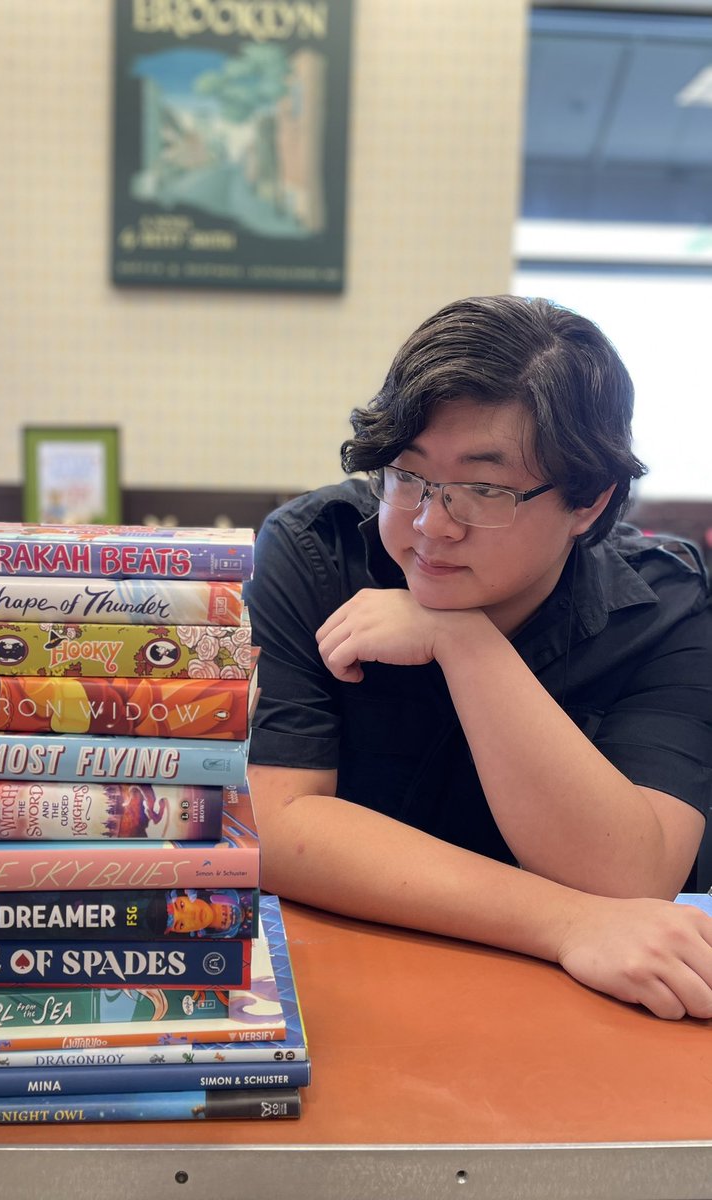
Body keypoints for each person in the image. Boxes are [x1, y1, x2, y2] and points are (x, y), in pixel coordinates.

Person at [244, 293, 712, 1020]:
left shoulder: (667, 608)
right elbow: (278, 825)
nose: (431, 525)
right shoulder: (315, 552)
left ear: (588, 502)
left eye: (484, 490)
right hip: (348, 989)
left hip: (578, 1022)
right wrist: (565, 922)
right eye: (408, 475)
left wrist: (463, 643)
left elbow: (631, 877)